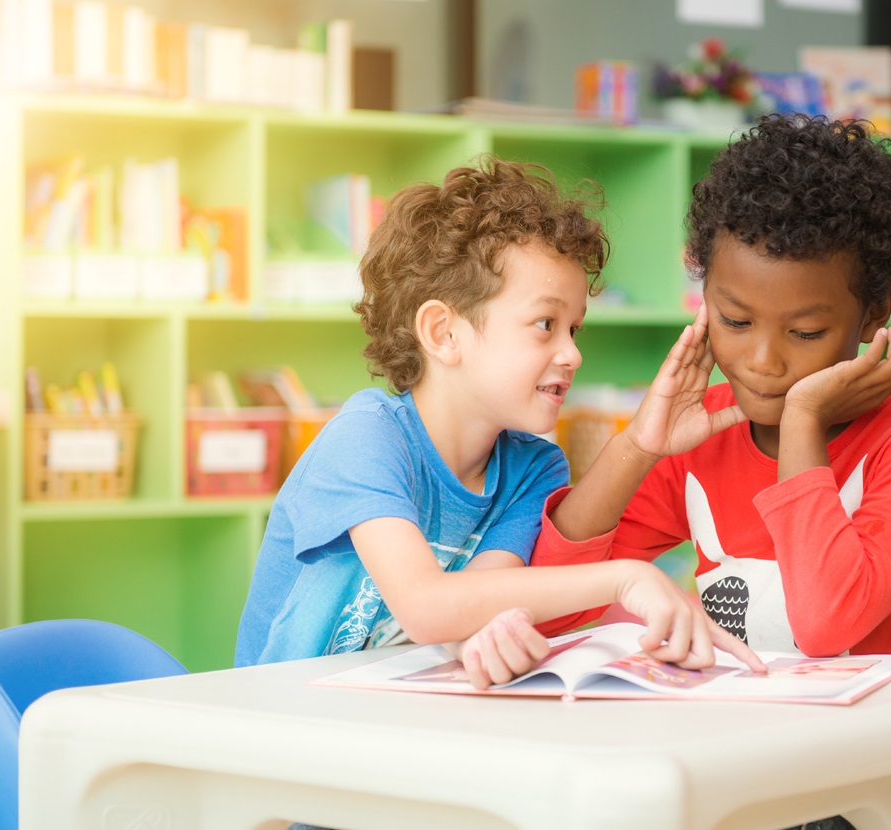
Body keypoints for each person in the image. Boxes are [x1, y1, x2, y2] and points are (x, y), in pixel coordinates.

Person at [234, 157, 762, 690]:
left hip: (391, 715)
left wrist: (480, 637)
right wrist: (629, 580)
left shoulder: (534, 468)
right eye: (545, 324)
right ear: (443, 333)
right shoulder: (368, 437)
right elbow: (425, 607)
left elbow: (476, 603)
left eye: (574, 330)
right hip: (278, 718)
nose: (572, 355)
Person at [529, 115, 891, 672]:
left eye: (804, 333)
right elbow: (548, 609)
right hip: (777, 731)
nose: (762, 362)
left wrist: (803, 419)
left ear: (874, 314)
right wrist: (640, 445)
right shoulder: (705, 430)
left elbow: (826, 624)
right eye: (734, 320)